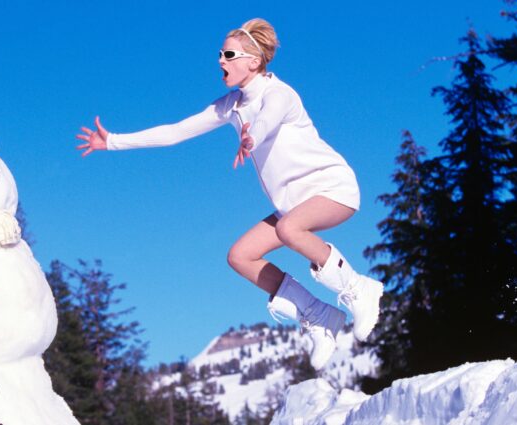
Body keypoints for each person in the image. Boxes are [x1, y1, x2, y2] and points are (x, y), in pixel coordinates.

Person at [75, 18, 383, 370]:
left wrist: (251, 138)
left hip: (332, 187)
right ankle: (318, 315)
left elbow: (267, 119)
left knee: (289, 230)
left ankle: (359, 288)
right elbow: (175, 132)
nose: (221, 60)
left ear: (254, 61)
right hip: (293, 205)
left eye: (229, 54)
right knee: (241, 256)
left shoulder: (279, 93)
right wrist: (113, 141)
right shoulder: (230, 106)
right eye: (220, 53)